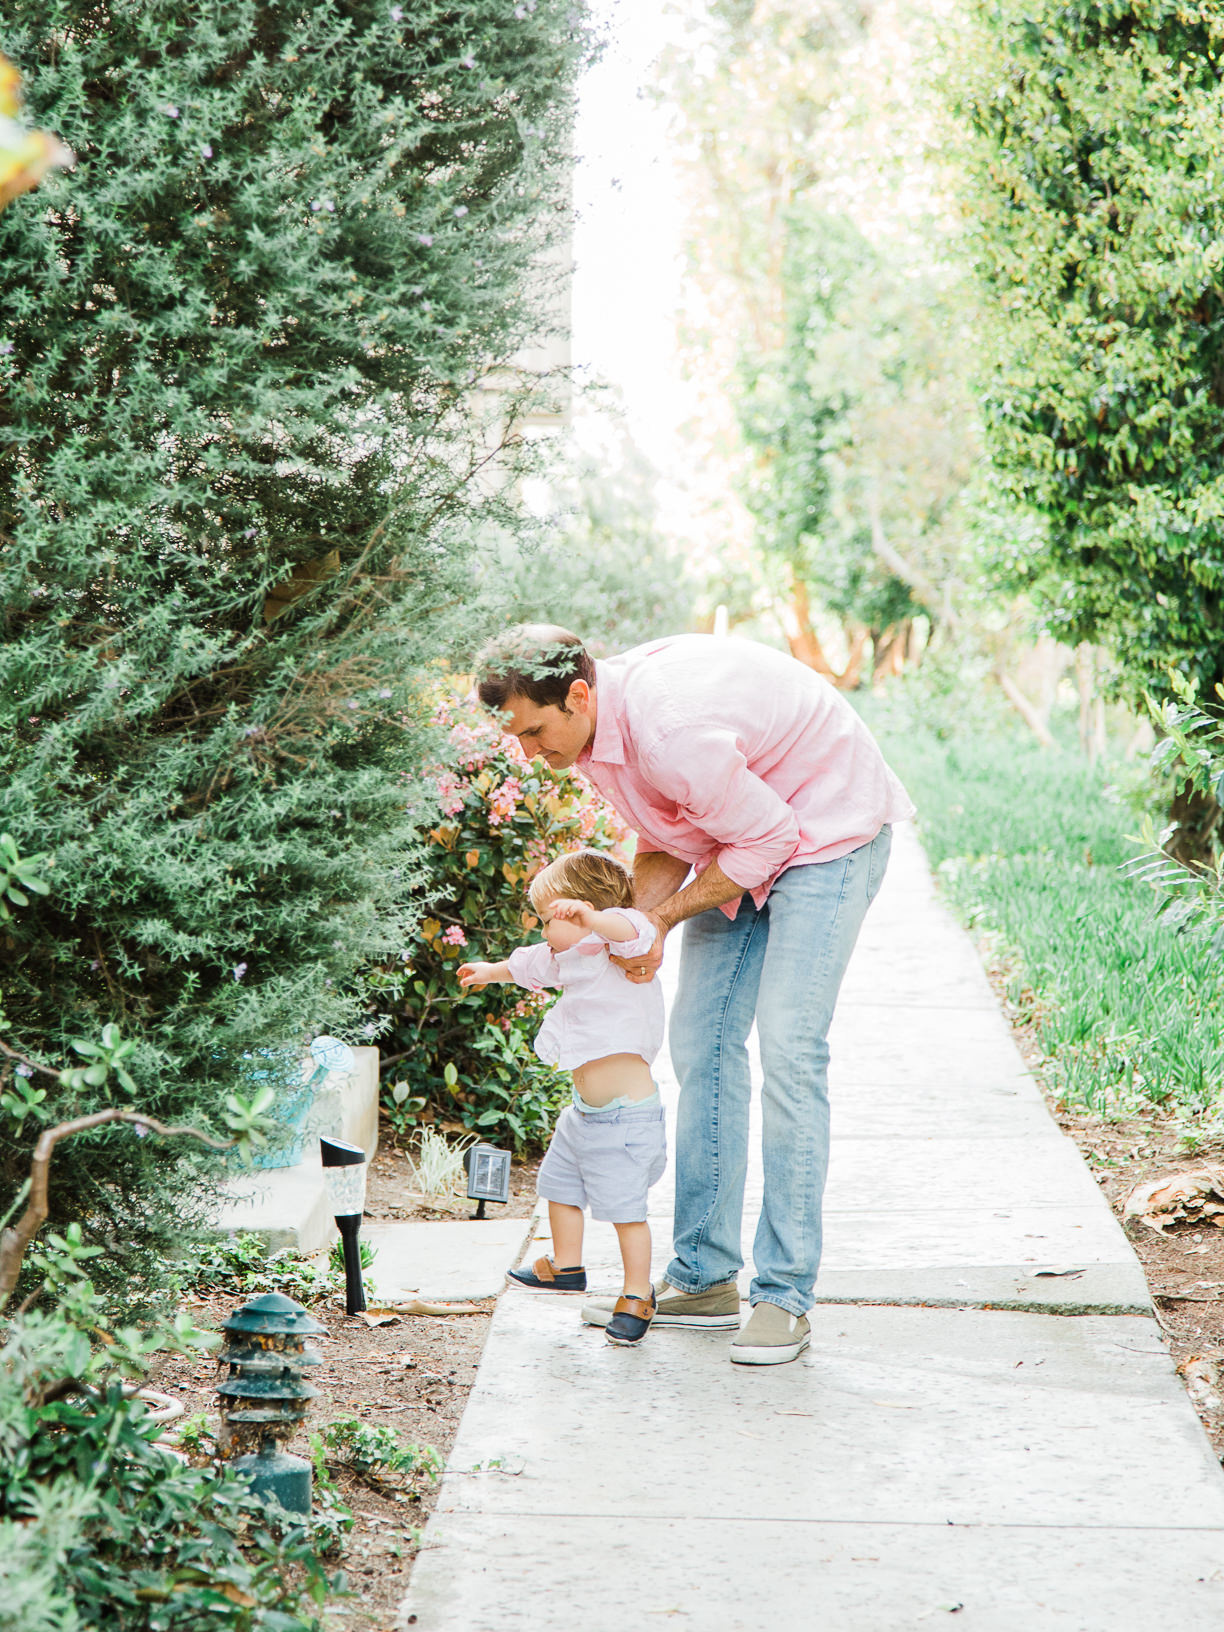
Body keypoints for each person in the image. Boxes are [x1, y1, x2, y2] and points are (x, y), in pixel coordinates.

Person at [473, 625, 915, 1365]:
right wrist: (636, 932)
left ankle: (783, 1297)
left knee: (789, 1044)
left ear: (578, 695)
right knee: (700, 1042)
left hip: (826, 832)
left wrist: (663, 918)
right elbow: (666, 833)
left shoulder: (668, 729)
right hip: (744, 838)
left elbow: (772, 837)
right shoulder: (591, 737)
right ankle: (705, 1278)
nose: (530, 752)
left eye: (535, 731)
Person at [457, 847, 667, 1348]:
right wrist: (489, 971)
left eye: (547, 919)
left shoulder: (621, 948)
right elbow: (526, 965)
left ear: (577, 912)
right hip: (585, 1115)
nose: (542, 932)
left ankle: (638, 1293)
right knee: (559, 1185)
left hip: (627, 1120)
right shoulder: (566, 958)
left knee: (625, 1210)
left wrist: (592, 917)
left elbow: (634, 927)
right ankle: (565, 1266)